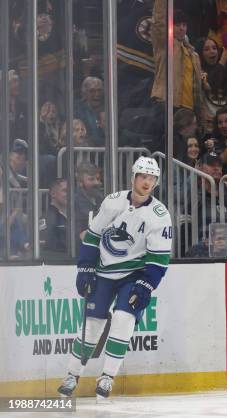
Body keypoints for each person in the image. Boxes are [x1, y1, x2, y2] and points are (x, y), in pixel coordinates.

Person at [57, 156, 172, 399]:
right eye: (142, 176)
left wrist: (146, 284)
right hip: (104, 272)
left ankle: (107, 377)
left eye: (151, 178)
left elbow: (159, 258)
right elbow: (92, 236)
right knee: (92, 324)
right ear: (133, 177)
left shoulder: (159, 215)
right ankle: (72, 374)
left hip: (133, 273)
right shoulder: (112, 202)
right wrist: (86, 266)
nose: (146, 182)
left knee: (123, 318)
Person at [151, 0, 206, 126]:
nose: (182, 28)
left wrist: (202, 120)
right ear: (170, 27)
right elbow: (159, 23)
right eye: (177, 25)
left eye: (184, 25)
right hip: (167, 104)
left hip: (189, 111)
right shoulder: (165, 44)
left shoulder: (194, 54)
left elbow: (197, 91)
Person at [41, 178, 68, 256]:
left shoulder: (74, 215)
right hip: (57, 262)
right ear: (53, 194)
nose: (69, 194)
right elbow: (45, 245)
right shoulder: (47, 218)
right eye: (65, 191)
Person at [75, 77, 105, 146]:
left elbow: (119, 134)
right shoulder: (76, 111)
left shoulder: (110, 109)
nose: (97, 94)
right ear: (84, 93)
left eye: (99, 90)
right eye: (92, 91)